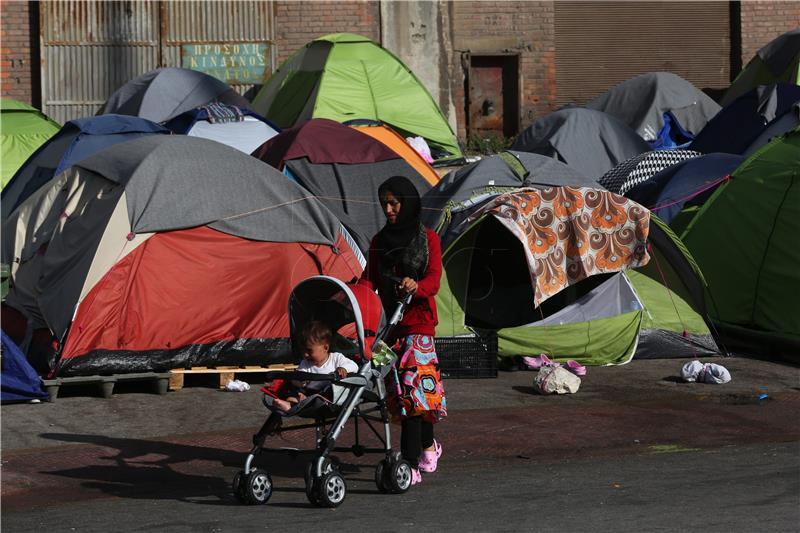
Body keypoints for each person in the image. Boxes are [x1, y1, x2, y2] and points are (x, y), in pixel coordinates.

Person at [359, 175, 447, 486]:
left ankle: (410, 465)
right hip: (391, 327)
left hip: (419, 324)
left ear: (407, 203)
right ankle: (426, 445)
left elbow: (434, 280)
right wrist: (350, 299)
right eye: (385, 204)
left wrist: (417, 285)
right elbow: (368, 280)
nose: (389, 209)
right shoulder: (379, 242)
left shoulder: (429, 239)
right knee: (406, 395)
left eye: (394, 203)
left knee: (413, 393)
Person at [271, 320, 358, 412]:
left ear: (325, 348)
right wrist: (300, 381)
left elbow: (354, 366)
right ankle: (291, 403)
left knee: (331, 389)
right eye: (303, 351)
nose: (305, 354)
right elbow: (300, 379)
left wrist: (344, 368)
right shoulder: (305, 363)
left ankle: (301, 403)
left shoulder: (336, 358)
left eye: (309, 351)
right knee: (292, 389)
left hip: (327, 394)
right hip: (309, 392)